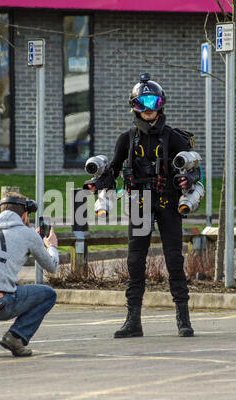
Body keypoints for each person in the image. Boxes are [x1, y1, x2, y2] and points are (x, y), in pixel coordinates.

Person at [89, 73, 201, 338]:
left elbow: (195, 172)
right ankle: (133, 321)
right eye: (142, 103)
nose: (148, 110)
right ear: (134, 106)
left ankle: (183, 319)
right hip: (139, 203)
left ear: (161, 105)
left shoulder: (175, 139)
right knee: (135, 261)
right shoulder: (126, 140)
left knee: (174, 258)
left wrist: (187, 180)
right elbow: (113, 171)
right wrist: (99, 182)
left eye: (153, 102)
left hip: (169, 201)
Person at [0, 192, 59, 357]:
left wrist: (32, 238)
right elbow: (52, 266)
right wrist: (52, 246)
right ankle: (16, 337)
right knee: (48, 294)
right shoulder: (27, 234)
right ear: (25, 214)